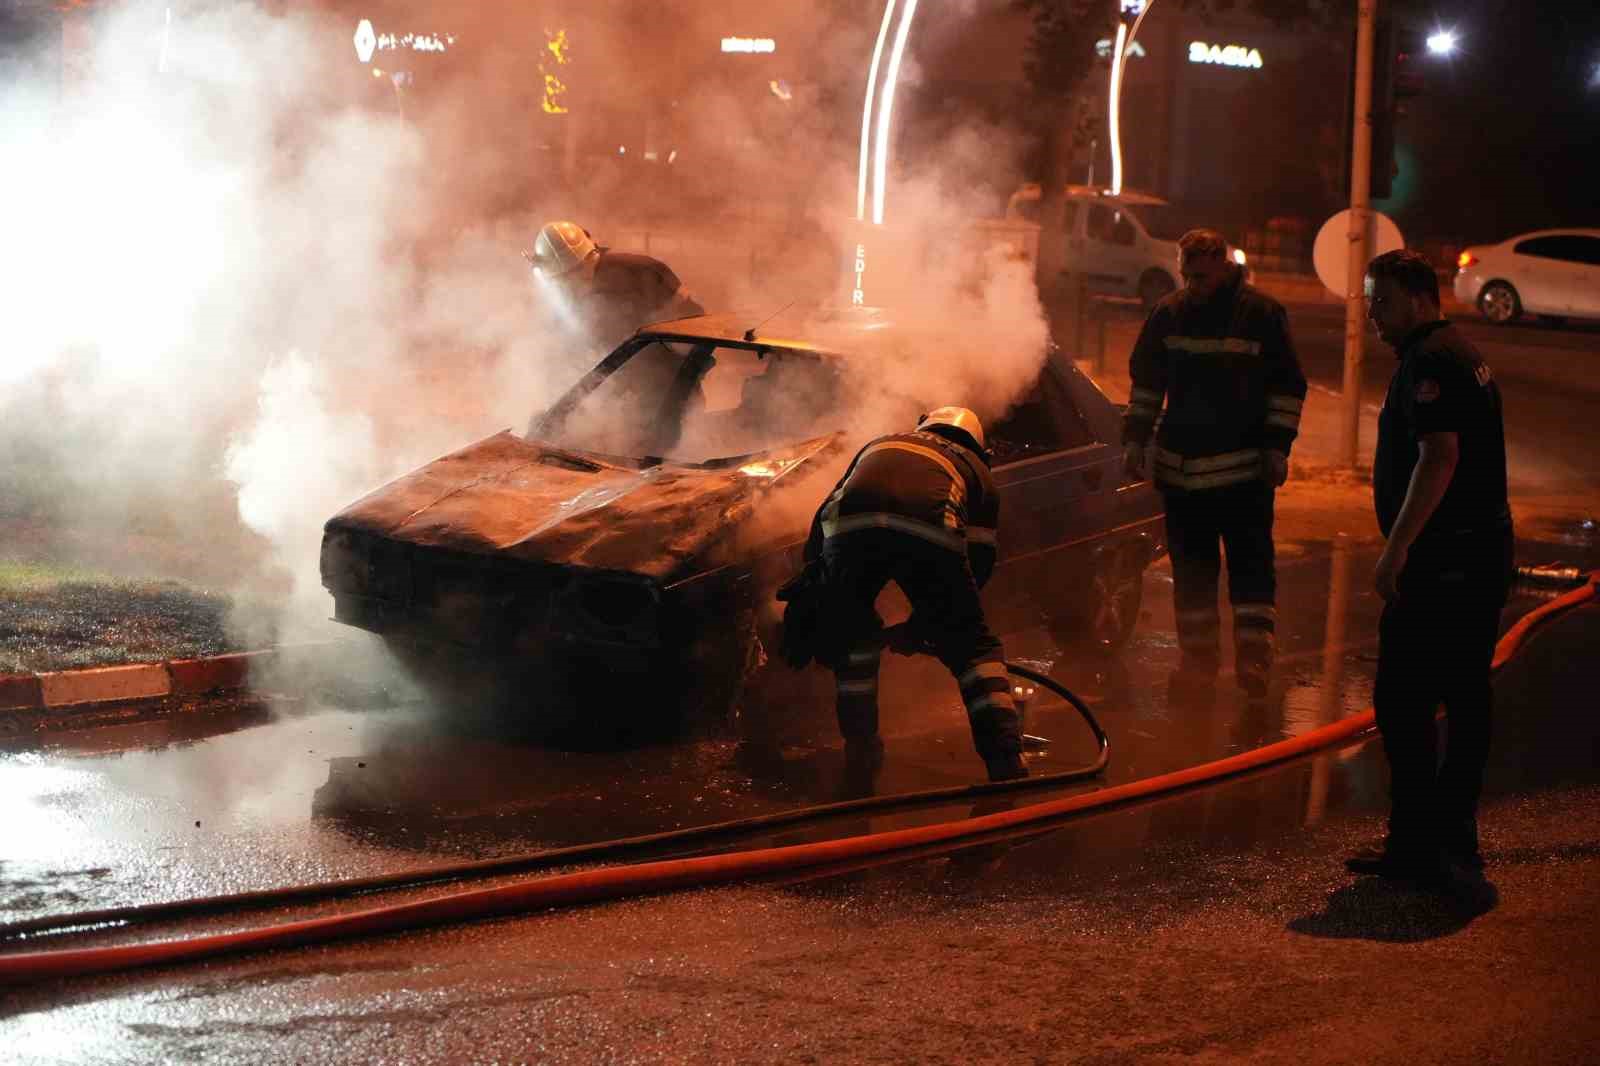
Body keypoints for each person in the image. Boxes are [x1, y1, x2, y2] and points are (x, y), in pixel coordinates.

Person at [1346, 249, 1513, 882]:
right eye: (1368, 303)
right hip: (1476, 552)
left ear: (1417, 298)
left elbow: (1438, 456)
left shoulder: (1431, 361)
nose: (1373, 316)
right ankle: (1450, 834)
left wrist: (1397, 550)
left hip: (1446, 561)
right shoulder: (1459, 352)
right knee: (1465, 696)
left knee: (1403, 700)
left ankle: (1418, 841)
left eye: (1382, 302)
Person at [786, 407, 1026, 785]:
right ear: (981, 447)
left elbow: (821, 519)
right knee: (974, 647)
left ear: (925, 425)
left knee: (854, 636)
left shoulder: (880, 443)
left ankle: (861, 752)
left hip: (849, 529)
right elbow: (975, 567)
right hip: (928, 530)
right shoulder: (977, 471)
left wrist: (819, 586)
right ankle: (1006, 762)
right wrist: (928, 627)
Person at [1121, 229, 1307, 699]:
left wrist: (1277, 447)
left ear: (1224, 267)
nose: (1192, 284)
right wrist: (1135, 440)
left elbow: (1287, 388)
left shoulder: (1262, 315)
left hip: (1244, 474)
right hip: (1181, 475)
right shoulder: (1170, 313)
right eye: (1186, 274)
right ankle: (1198, 663)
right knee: (1192, 575)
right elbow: (1146, 385)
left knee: (1250, 566)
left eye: (1201, 276)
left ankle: (1254, 657)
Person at [525, 220, 705, 349]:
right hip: (614, 393)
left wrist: (687, 377)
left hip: (669, 392)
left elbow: (698, 329)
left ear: (581, 263)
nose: (564, 285)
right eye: (558, 279)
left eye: (565, 277)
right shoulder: (571, 297)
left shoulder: (643, 272)